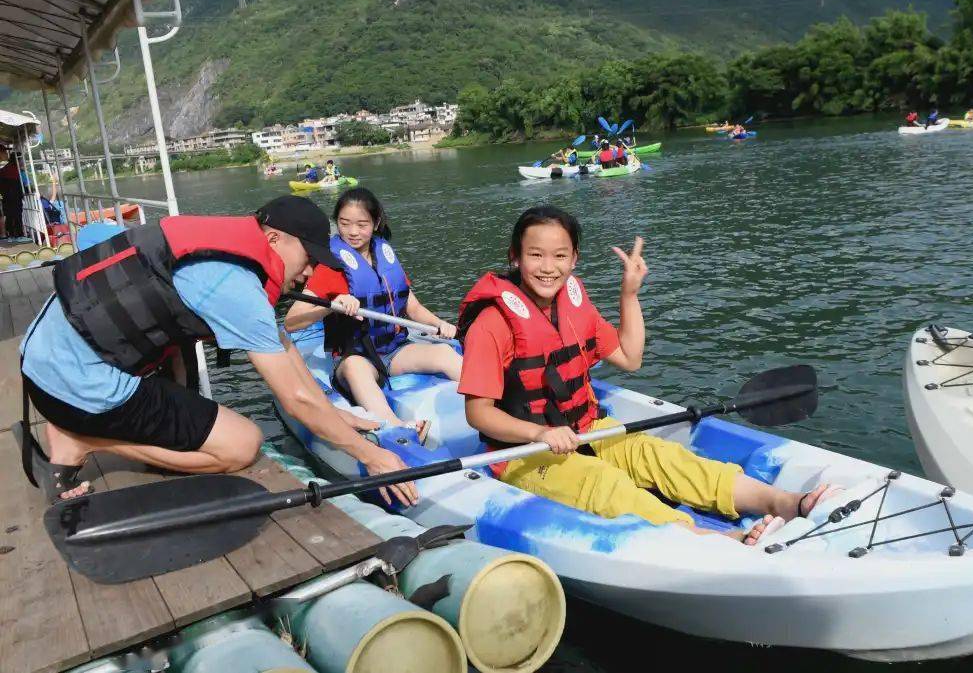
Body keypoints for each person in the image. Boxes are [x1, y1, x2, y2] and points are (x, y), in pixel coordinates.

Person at [455, 206, 837, 546]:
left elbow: (630, 357)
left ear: (574, 260)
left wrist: (629, 294)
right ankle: (716, 540)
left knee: (663, 457)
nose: (548, 266)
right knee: (606, 486)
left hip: (591, 429)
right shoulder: (493, 324)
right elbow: (479, 413)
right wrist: (540, 433)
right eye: (535, 255)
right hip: (526, 454)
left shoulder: (574, 306)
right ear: (516, 258)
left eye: (559, 256)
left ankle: (786, 503)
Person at [17, 195, 417, 506]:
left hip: (46, 359)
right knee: (242, 444)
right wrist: (373, 455)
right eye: (309, 257)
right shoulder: (236, 287)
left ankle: (82, 424)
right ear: (274, 238)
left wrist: (335, 415)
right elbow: (295, 399)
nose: (311, 271)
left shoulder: (218, 247)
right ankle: (82, 440)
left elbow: (282, 347)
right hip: (76, 385)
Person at [284, 187, 462, 435]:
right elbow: (292, 322)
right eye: (345, 224)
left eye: (362, 224)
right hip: (355, 357)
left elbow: (413, 307)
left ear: (376, 223)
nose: (353, 232)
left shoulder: (384, 257)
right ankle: (396, 428)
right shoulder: (332, 267)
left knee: (443, 353)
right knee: (356, 369)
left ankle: (496, 403)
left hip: (395, 350)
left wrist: (439, 324)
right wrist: (333, 304)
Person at [0, 144, 28, 241]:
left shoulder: (3, 170)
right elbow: (22, 184)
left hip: (5, 197)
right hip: (14, 196)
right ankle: (19, 235)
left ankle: (11, 235)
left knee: (9, 215)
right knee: (17, 215)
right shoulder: (16, 171)